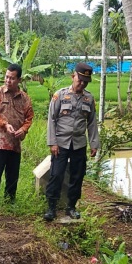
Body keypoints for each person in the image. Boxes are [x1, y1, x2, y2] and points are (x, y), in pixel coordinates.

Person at [43, 62, 100, 221]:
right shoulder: (59, 95)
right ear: (73, 76)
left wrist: (94, 144)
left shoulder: (89, 98)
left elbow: (92, 122)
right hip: (60, 143)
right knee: (56, 174)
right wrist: (52, 142)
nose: (81, 83)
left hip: (79, 144)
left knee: (77, 176)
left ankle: (71, 207)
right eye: (79, 80)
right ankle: (51, 207)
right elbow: (52, 120)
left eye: (85, 81)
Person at [0, 64, 34, 213]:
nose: (8, 80)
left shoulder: (25, 98)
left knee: (13, 173)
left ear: (19, 79)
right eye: (7, 77)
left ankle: (10, 199)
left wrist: (23, 129)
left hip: (15, 141)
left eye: (12, 78)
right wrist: (5, 125)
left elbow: (29, 117)